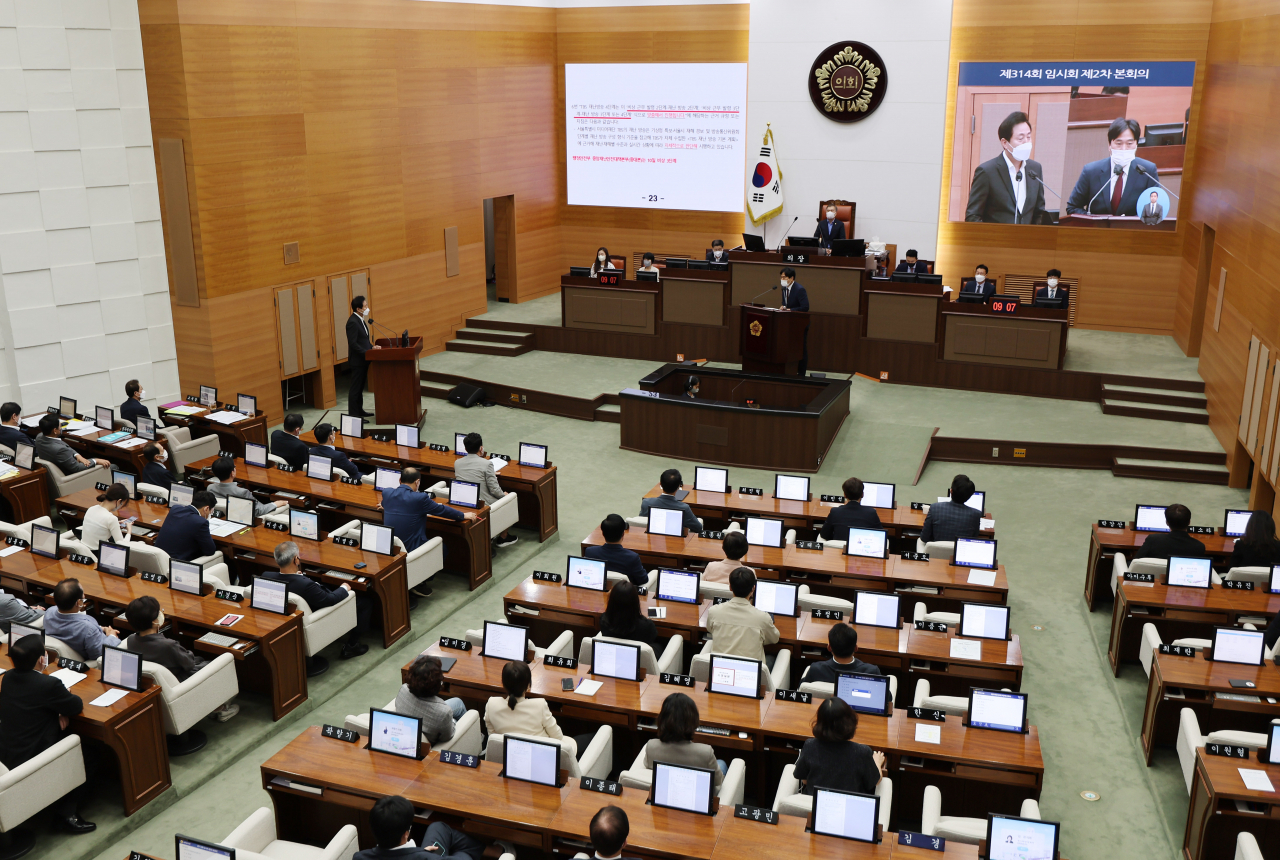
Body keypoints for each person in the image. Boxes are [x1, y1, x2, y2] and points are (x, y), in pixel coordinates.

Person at [0, 634, 97, 834]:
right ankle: (66, 814)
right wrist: (60, 707)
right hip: (33, 756)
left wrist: (57, 710)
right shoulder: (48, 685)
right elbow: (75, 705)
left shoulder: (8, 678)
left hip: (10, 752)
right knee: (88, 753)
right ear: (41, 660)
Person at [124, 596, 239, 721]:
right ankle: (220, 708)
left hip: (162, 685)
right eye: (159, 611)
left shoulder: (131, 640)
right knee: (216, 663)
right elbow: (189, 663)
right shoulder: (168, 645)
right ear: (154, 621)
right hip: (181, 679)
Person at [255, 541, 369, 663]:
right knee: (365, 602)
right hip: (318, 614)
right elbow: (330, 600)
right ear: (296, 560)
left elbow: (293, 582)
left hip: (290, 619)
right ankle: (352, 645)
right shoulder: (305, 585)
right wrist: (344, 587)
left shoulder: (266, 576)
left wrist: (298, 576)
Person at [380, 468, 475, 596]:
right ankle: (420, 582)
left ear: (400, 480)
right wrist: (463, 515)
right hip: (411, 548)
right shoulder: (419, 498)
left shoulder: (387, 493)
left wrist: (385, 505)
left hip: (391, 548)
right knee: (442, 548)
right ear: (417, 482)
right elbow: (441, 510)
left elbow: (386, 502)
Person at [964, 110, 1047, 224]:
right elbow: (973, 216)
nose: (1026, 142)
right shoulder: (987, 172)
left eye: (1028, 137)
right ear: (1005, 143)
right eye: (1020, 138)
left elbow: (1039, 212)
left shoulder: (1035, 169)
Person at [792, 697, 885, 796]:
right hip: (848, 804)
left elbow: (805, 781)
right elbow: (873, 782)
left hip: (814, 803)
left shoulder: (810, 745)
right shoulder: (862, 752)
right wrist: (877, 762)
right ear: (849, 722)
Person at [1066, 117, 1159, 216]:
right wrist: (1095, 221)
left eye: (1129, 144)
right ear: (1109, 145)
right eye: (1118, 143)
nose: (1124, 149)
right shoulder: (1091, 171)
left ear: (1136, 144)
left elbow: (1154, 210)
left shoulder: (1147, 171)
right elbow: (1072, 208)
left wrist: (1130, 222)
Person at [483, 659, 576, 755]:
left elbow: (493, 739)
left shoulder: (491, 704)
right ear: (528, 685)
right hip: (540, 755)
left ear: (503, 683)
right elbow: (558, 737)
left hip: (508, 755)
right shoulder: (540, 705)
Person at [355, 794, 487, 860]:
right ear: (406, 834)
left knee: (438, 828)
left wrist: (419, 853)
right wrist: (421, 854)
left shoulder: (359, 857)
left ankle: (493, 850)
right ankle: (494, 851)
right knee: (463, 854)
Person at [640, 693, 725, 787]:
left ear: (662, 718)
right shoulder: (706, 753)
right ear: (693, 720)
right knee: (722, 763)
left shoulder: (651, 746)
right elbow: (718, 782)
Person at [705, 567, 779, 664]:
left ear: (730, 587)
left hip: (721, 668)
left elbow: (710, 629)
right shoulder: (763, 617)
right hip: (751, 671)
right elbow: (774, 639)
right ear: (753, 588)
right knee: (772, 657)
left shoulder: (714, 611)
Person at [454, 432, 517, 547]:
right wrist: (504, 495)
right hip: (484, 504)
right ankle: (503, 537)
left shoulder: (457, 463)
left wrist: (488, 474)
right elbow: (494, 490)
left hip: (466, 501)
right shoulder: (487, 464)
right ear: (481, 448)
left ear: (465, 448)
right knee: (510, 498)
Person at [43, 578, 119, 661]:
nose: (84, 596)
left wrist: (102, 628)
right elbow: (98, 654)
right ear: (79, 602)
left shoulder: (49, 612)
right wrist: (112, 636)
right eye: (83, 593)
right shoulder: (88, 629)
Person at [396, 655, 466, 745]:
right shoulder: (443, 713)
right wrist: (453, 721)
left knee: (458, 702)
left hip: (416, 722)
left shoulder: (403, 689)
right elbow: (447, 737)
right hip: (432, 743)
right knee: (458, 710)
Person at [208, 456, 289, 519]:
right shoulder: (242, 492)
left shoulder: (210, 488)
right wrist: (275, 504)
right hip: (250, 519)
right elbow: (258, 511)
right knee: (285, 506)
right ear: (232, 473)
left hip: (226, 518)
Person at [800, 622, 882, 683]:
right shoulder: (872, 672)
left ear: (829, 648)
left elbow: (802, 689)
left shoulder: (815, 670)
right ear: (856, 648)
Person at [583, 513, 648, 586]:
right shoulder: (632, 557)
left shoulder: (590, 552)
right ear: (623, 534)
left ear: (603, 534)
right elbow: (643, 580)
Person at [154, 489, 218, 562]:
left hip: (159, 559)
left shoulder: (175, 509)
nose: (210, 514)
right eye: (211, 511)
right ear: (206, 509)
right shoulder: (201, 522)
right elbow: (210, 551)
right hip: (178, 563)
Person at [919, 474, 982, 544]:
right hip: (960, 550)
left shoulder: (935, 508)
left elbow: (924, 538)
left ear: (951, 491)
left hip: (936, 550)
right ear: (970, 496)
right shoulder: (976, 515)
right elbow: (973, 540)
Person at [35, 413, 107, 473]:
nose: (61, 428)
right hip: (72, 475)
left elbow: (65, 447)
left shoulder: (39, 437)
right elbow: (77, 468)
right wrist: (96, 461)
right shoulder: (59, 450)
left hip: (64, 463)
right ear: (55, 431)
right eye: (60, 426)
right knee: (111, 466)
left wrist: (77, 455)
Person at [346, 294, 380, 418]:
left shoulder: (360, 320)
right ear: (358, 309)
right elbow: (353, 343)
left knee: (360, 388)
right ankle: (354, 416)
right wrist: (366, 352)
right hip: (357, 361)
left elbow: (363, 340)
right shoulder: (353, 322)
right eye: (365, 306)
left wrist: (371, 347)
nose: (367, 308)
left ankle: (359, 411)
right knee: (355, 389)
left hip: (363, 360)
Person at [1133, 504, 1207, 560]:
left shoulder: (1153, 540)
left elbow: (1136, 561)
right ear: (1189, 522)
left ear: (1167, 523)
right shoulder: (1199, 547)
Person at [819, 477, 883, 541]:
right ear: (862, 495)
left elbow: (824, 535)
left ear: (845, 495)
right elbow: (881, 535)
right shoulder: (871, 513)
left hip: (838, 547)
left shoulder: (835, 512)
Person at [599, 580, 658, 649]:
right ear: (636, 602)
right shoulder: (647, 626)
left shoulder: (604, 620)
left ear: (611, 601)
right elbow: (652, 638)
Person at [639, 468, 700, 533]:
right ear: (679, 487)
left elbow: (641, 522)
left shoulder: (646, 503)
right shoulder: (685, 508)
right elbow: (698, 528)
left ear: (660, 484)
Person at [81, 483, 134, 550]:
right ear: (119, 501)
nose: (121, 508)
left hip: (84, 550)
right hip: (98, 553)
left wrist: (116, 524)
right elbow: (122, 547)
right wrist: (129, 531)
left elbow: (100, 525)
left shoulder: (91, 509)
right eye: (122, 505)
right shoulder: (111, 519)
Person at [778, 267, 810, 375]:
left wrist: (790, 310)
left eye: (784, 277)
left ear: (791, 278)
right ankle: (790, 371)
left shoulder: (799, 289)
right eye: (781, 277)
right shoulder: (784, 288)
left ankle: (801, 373)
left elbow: (805, 307)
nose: (782, 279)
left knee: (801, 348)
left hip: (799, 323)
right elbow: (786, 303)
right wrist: (783, 307)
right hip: (789, 323)